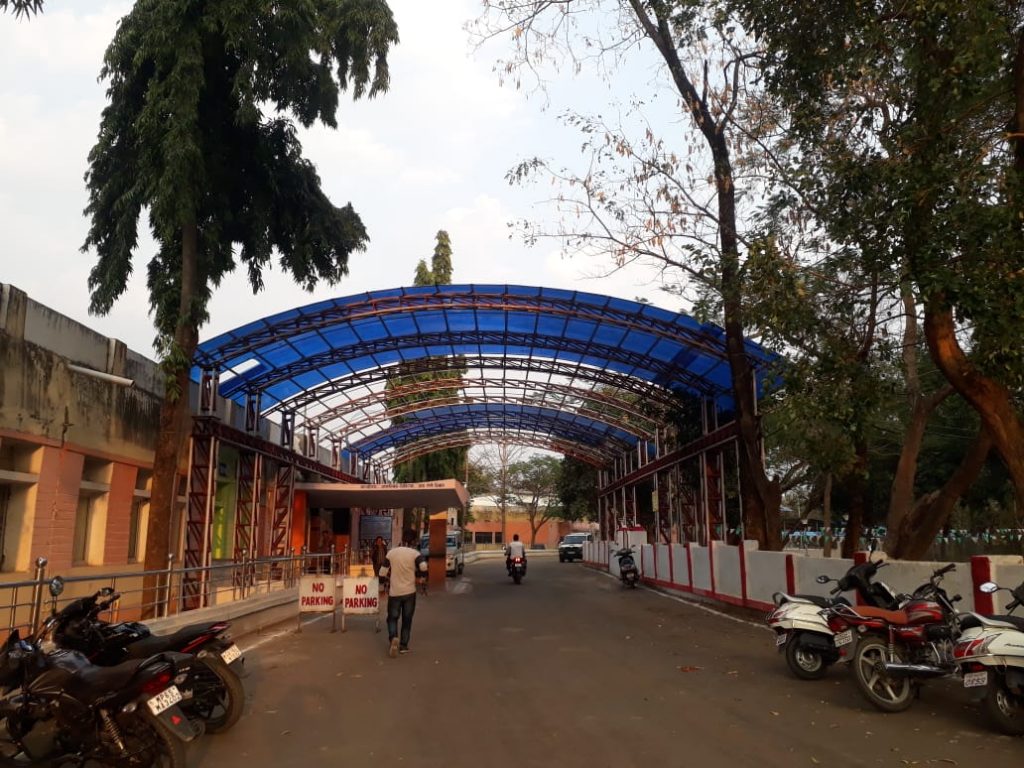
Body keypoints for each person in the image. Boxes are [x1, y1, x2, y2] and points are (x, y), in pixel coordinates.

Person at [378, 529, 428, 658]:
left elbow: (382, 572)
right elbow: (423, 566)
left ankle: (393, 638)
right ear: (414, 541)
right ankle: (404, 646)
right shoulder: (415, 554)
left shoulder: (392, 553)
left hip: (395, 592)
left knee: (392, 618)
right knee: (407, 619)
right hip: (409, 592)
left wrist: (382, 588)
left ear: (402, 538)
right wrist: (422, 578)